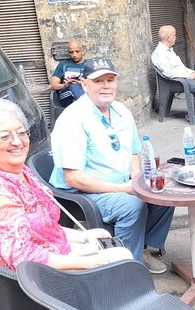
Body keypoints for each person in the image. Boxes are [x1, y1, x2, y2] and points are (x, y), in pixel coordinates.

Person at [0, 98, 133, 271]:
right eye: (5, 136)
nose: (17, 142)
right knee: (123, 260)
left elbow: (44, 228)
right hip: (34, 279)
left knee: (114, 248)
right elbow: (23, 257)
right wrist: (92, 262)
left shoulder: (18, 172)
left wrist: (83, 236)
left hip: (54, 254)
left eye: (21, 133)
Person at [49, 56, 175, 274]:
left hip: (121, 183)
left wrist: (136, 180)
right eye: (98, 81)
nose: (106, 86)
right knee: (131, 205)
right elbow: (73, 177)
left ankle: (142, 248)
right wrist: (124, 189)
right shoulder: (73, 119)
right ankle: (125, 269)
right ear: (85, 84)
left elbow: (134, 152)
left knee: (164, 191)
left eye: (110, 80)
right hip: (83, 192)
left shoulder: (121, 111)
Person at [151, 25, 195, 122]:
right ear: (169, 38)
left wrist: (192, 72)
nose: (176, 37)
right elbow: (168, 72)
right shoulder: (160, 53)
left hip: (181, 78)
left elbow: (180, 67)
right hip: (173, 82)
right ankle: (192, 113)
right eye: (174, 35)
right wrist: (188, 76)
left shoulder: (169, 50)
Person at [49, 39, 86, 107]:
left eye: (77, 51)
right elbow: (53, 85)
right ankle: (87, 105)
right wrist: (66, 85)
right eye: (71, 52)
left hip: (84, 92)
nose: (74, 55)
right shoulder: (63, 65)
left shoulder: (88, 65)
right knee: (73, 86)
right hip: (66, 95)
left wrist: (81, 83)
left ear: (82, 51)